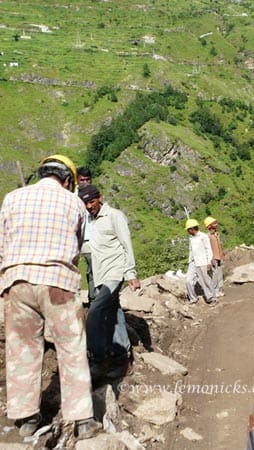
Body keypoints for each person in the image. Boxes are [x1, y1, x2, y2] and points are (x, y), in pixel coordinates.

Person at [0, 154, 101, 439]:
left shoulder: (12, 198)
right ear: (68, 180)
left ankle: (26, 418)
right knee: (71, 347)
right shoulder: (74, 202)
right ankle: (82, 420)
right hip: (57, 281)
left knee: (21, 348)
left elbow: (2, 242)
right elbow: (78, 244)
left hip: (16, 280)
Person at [78, 184, 140, 379]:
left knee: (95, 312)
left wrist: (130, 273)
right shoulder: (89, 221)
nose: (89, 206)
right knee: (115, 311)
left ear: (100, 198)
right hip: (100, 274)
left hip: (115, 273)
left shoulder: (114, 216)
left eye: (92, 201)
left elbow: (126, 244)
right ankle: (124, 358)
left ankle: (98, 359)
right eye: (85, 203)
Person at [185, 218, 217, 305]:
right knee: (188, 280)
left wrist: (209, 262)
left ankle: (212, 298)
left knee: (205, 281)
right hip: (193, 262)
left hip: (203, 262)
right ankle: (193, 299)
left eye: (188, 229)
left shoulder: (203, 236)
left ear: (192, 229)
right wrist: (189, 261)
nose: (187, 231)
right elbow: (191, 250)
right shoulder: (191, 239)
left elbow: (208, 249)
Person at [76, 167, 94, 303]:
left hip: (89, 238)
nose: (85, 182)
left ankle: (93, 298)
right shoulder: (72, 196)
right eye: (82, 180)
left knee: (93, 269)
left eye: (88, 179)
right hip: (74, 239)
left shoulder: (94, 193)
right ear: (77, 180)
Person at [204, 216, 225, 297]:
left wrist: (222, 254)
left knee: (220, 274)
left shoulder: (217, 234)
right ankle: (215, 291)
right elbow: (207, 249)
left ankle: (220, 289)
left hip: (219, 257)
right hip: (213, 258)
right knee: (214, 275)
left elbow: (219, 245)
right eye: (214, 224)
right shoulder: (207, 236)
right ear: (210, 226)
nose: (216, 225)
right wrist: (210, 259)